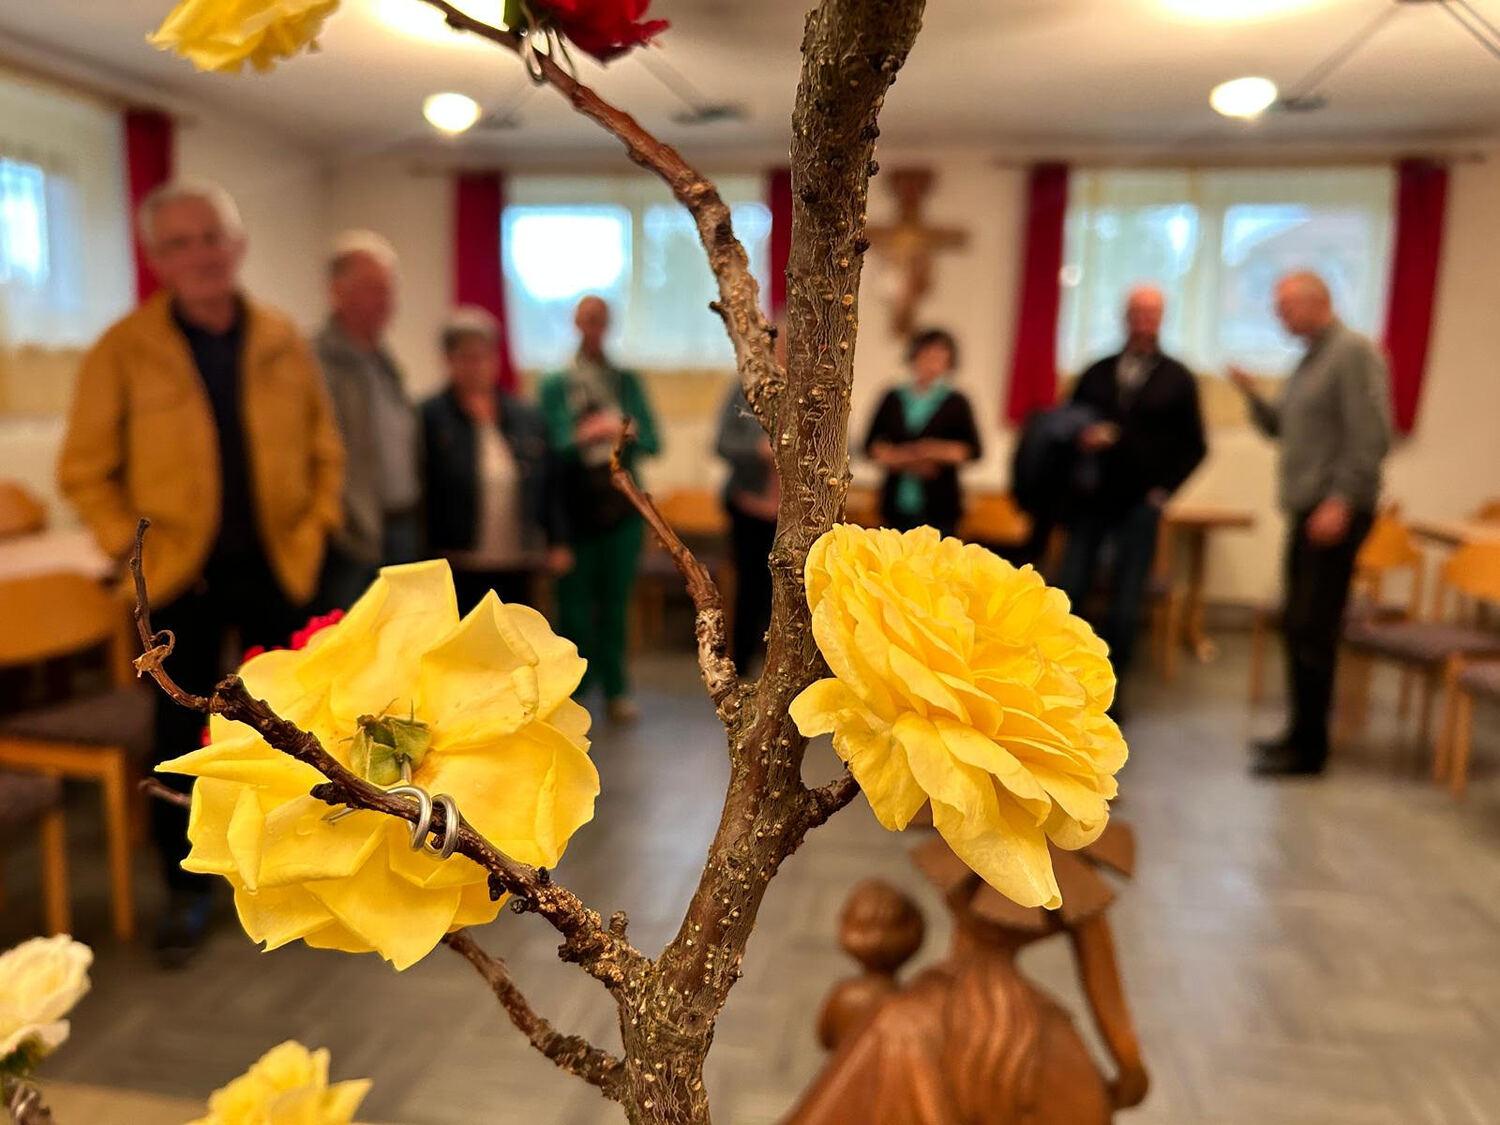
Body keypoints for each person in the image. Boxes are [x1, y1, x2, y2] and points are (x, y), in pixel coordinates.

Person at [57, 179, 344, 965]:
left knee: (294, 725)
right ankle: (186, 888)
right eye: (180, 243)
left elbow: (325, 446)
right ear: (156, 257)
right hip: (176, 580)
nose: (201, 255)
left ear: (237, 243)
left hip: (280, 567)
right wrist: (133, 553)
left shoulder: (282, 336)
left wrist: (317, 524)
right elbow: (84, 470)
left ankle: (291, 868)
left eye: (212, 237)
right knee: (177, 736)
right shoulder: (123, 347)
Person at [1231, 271, 1391, 777]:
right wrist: (1252, 395)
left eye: (1285, 308)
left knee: (1314, 627)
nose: (1279, 318)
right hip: (1308, 509)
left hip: (1333, 510)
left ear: (1316, 301)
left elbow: (1371, 436)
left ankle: (1310, 750)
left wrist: (1342, 500)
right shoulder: (1310, 358)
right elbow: (1282, 427)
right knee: (1299, 625)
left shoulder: (1352, 353)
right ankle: (1298, 735)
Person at [1056, 285, 1207, 706]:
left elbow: (1196, 446)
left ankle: (1111, 696)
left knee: (1126, 601)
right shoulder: (1097, 372)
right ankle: (1062, 689)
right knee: (1070, 590)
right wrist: (1083, 439)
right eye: (1137, 313)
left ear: (1160, 320)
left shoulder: (1177, 378)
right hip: (1091, 502)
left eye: (1151, 314)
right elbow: (1066, 424)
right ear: (1125, 318)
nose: (1143, 322)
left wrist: (1164, 490)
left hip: (1140, 505)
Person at [539, 295, 661, 723]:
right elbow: (549, 446)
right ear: (576, 323)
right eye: (586, 319)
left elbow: (653, 441)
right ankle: (573, 689)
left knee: (615, 605)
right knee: (572, 607)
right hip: (575, 510)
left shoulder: (626, 382)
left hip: (620, 509)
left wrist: (622, 431)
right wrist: (584, 435)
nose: (592, 327)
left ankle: (616, 689)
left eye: (599, 320)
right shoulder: (556, 384)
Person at [421, 307, 570, 614]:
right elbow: (422, 487)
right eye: (466, 357)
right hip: (456, 558)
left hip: (517, 555)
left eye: (482, 356)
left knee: (515, 633)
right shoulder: (431, 416)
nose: (475, 366)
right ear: (449, 360)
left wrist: (558, 540)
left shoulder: (525, 415)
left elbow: (549, 483)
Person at [316, 230, 421, 610]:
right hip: (350, 535)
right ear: (337, 292)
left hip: (400, 526)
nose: (386, 300)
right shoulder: (315, 362)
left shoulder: (384, 361)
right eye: (373, 288)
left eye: (388, 288)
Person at [863, 328, 982, 538]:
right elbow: (870, 446)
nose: (932, 365)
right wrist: (906, 459)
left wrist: (934, 451)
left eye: (939, 359)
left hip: (940, 506)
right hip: (896, 503)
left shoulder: (957, 402)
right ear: (914, 356)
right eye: (927, 356)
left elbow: (972, 450)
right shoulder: (892, 397)